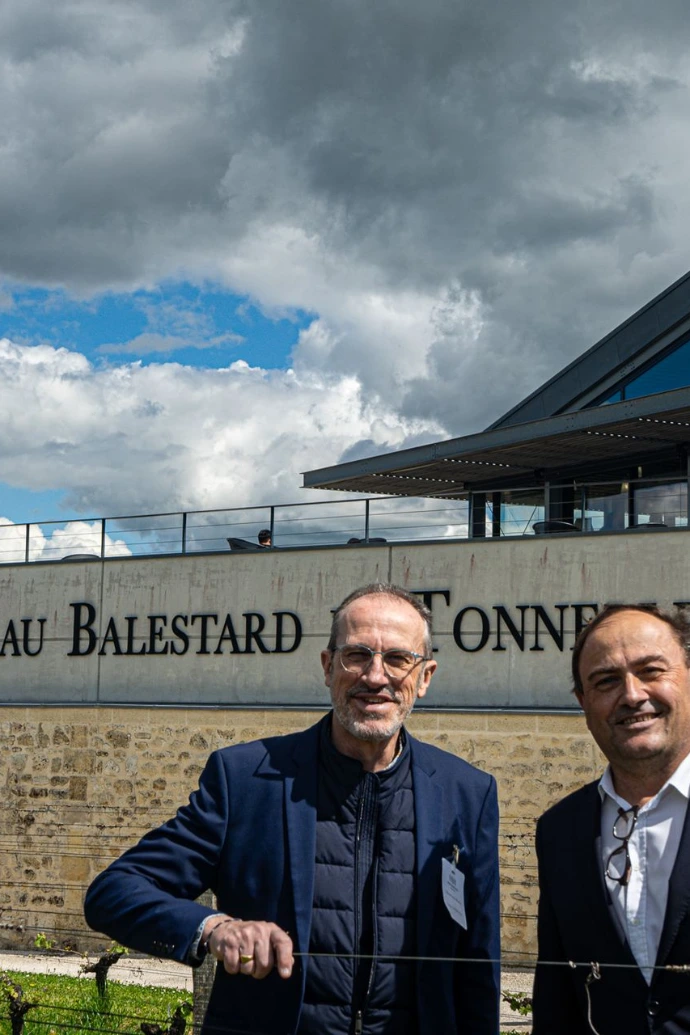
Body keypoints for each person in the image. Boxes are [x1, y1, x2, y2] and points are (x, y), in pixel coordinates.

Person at [84, 582, 500, 1035]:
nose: (376, 677)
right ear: (327, 667)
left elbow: (477, 967)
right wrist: (214, 928)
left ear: (425, 677)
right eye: (357, 655)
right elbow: (114, 892)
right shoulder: (246, 779)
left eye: (398, 659)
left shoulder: (467, 794)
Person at [533, 604, 690, 1034]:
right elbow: (557, 994)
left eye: (652, 671)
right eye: (606, 681)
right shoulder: (559, 831)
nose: (633, 695)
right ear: (583, 703)